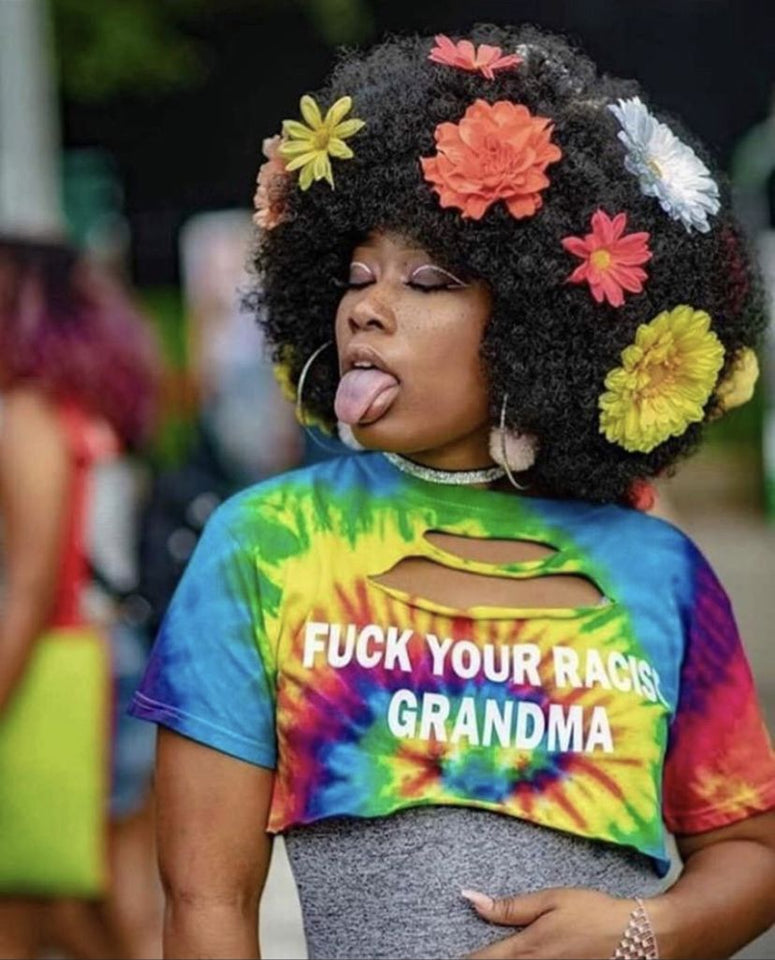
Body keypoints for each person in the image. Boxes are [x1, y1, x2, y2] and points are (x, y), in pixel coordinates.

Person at [131, 24, 775, 960]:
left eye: (427, 280)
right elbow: (204, 907)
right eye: (354, 277)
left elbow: (749, 850)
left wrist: (644, 931)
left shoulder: (658, 570)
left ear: (534, 322)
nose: (366, 307)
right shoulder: (270, 541)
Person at [0, 236, 160, 958]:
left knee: (39, 892)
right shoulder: (82, 409)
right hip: (112, 654)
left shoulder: (25, 414)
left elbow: (31, 586)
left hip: (63, 667)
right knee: (112, 885)